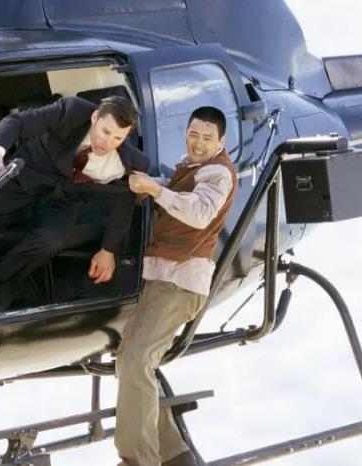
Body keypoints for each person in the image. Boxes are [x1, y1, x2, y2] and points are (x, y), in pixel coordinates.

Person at [116, 106, 237, 466]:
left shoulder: (218, 172)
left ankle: (139, 461)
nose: (198, 143)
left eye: (207, 138)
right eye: (193, 134)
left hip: (180, 282)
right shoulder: (191, 167)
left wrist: (155, 190)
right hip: (164, 280)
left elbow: (199, 213)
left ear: (221, 141)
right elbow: (179, 194)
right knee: (130, 360)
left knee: (137, 360)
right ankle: (174, 455)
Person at [0, 95, 149, 312]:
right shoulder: (72, 111)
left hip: (65, 200)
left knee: (50, 241)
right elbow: (17, 122)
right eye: (106, 132)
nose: (108, 143)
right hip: (25, 178)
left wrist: (108, 251)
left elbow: (123, 207)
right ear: (95, 117)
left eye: (118, 138)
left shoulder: (131, 164)